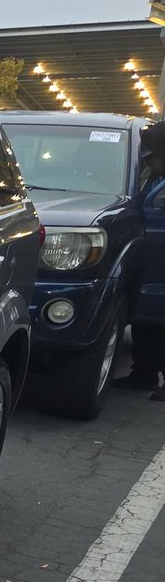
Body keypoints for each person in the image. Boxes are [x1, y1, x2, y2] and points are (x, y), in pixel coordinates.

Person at [118, 121, 165, 396]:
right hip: (150, 264)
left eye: (151, 154)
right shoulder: (153, 178)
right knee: (145, 319)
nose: (147, 158)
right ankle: (144, 373)